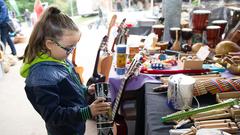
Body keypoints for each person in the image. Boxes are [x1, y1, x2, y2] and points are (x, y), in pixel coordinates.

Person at [20, 7, 110, 135]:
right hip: (63, 130)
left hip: (75, 123)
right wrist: (87, 112)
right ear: (49, 44)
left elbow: (67, 91)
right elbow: (53, 116)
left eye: (74, 46)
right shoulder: (41, 77)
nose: (71, 51)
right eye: (69, 47)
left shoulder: (59, 58)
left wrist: (85, 90)